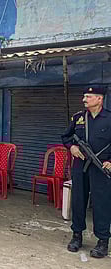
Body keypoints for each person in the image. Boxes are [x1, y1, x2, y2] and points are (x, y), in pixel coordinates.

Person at [61, 86, 111, 259]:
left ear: (99, 99)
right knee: (78, 200)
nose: (84, 99)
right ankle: (77, 236)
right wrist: (72, 147)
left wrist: (110, 161)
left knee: (102, 203)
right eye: (84, 96)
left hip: (101, 168)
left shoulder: (109, 118)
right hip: (80, 166)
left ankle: (103, 241)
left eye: (88, 96)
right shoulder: (78, 118)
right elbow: (66, 136)